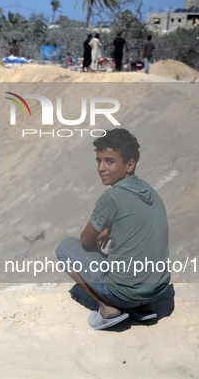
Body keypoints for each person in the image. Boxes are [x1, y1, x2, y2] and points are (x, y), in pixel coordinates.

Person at [56, 128, 170, 330]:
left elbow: (86, 241)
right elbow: (139, 221)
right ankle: (143, 308)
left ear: (129, 164)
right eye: (99, 161)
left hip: (124, 293)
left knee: (65, 247)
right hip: (156, 290)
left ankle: (107, 308)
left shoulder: (111, 197)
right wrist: (109, 231)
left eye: (109, 161)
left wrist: (99, 234)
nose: (101, 168)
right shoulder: (150, 191)